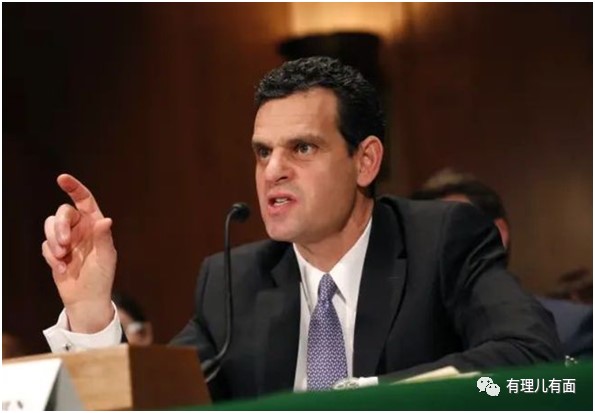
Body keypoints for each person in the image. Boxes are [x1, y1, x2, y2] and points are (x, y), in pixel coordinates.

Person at [42, 57, 562, 401]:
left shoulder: (441, 241)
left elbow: (531, 356)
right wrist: (89, 312)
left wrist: (363, 400)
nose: (273, 171)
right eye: (262, 152)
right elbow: (162, 402)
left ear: (366, 161)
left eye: (303, 148)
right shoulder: (234, 282)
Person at [411, 167, 592, 359]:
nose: (439, 249)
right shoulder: (405, 342)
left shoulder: (571, 327)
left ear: (498, 234)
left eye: (453, 233)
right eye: (427, 237)